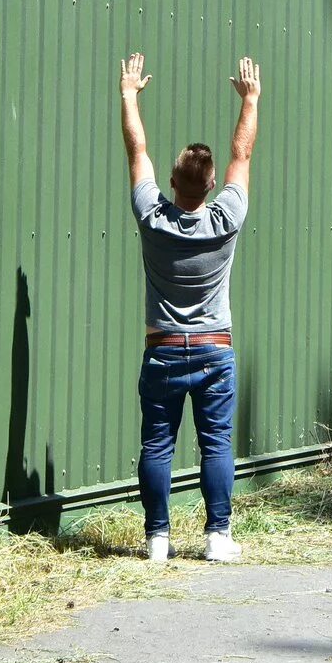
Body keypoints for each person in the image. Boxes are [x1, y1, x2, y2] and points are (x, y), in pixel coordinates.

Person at [119, 51, 261, 563]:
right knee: (216, 444)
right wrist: (250, 100)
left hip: (161, 351)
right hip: (214, 350)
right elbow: (241, 156)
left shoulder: (151, 217)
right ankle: (217, 537)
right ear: (209, 186)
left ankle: (157, 538)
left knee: (157, 446)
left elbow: (137, 149)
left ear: (173, 183)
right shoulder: (226, 219)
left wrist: (130, 94)